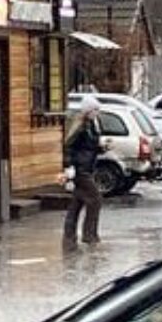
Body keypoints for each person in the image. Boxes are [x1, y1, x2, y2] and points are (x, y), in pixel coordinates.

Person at [63, 97, 103, 249]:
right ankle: (89, 235)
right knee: (95, 199)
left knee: (77, 203)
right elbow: (69, 147)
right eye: (95, 110)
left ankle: (69, 236)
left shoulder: (91, 125)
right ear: (87, 111)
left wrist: (102, 148)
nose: (97, 113)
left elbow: (89, 147)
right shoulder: (80, 126)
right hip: (80, 170)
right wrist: (69, 166)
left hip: (87, 167)